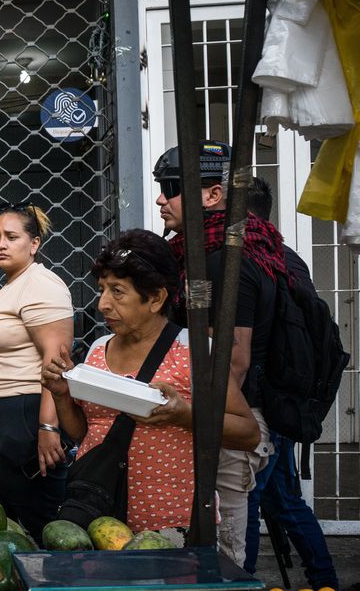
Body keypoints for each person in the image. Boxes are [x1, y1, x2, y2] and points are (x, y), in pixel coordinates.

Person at [41, 230, 260, 536]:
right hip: (102, 519)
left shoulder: (194, 351)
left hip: (169, 523)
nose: (103, 303)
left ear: (156, 298)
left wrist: (184, 414)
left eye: (117, 291)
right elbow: (86, 434)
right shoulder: (97, 350)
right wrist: (63, 396)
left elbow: (249, 434)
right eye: (102, 289)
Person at [154, 140, 280, 565]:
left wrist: (192, 418)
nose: (160, 198)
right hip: (213, 420)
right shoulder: (208, 253)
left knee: (221, 558)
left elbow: (234, 360)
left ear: (211, 195)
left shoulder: (224, 260)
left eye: (171, 187)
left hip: (225, 426)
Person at [242, 178, 338, 589]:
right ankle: (323, 578)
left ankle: (241, 580)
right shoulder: (286, 258)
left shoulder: (260, 259)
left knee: (248, 496)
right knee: (279, 498)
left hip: (265, 401)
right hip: (280, 400)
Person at [0, 203, 72, 540]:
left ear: (34, 243)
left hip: (23, 414)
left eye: (12, 237)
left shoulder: (41, 285)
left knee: (42, 522)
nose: (1, 244)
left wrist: (47, 426)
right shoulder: (11, 287)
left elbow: (57, 365)